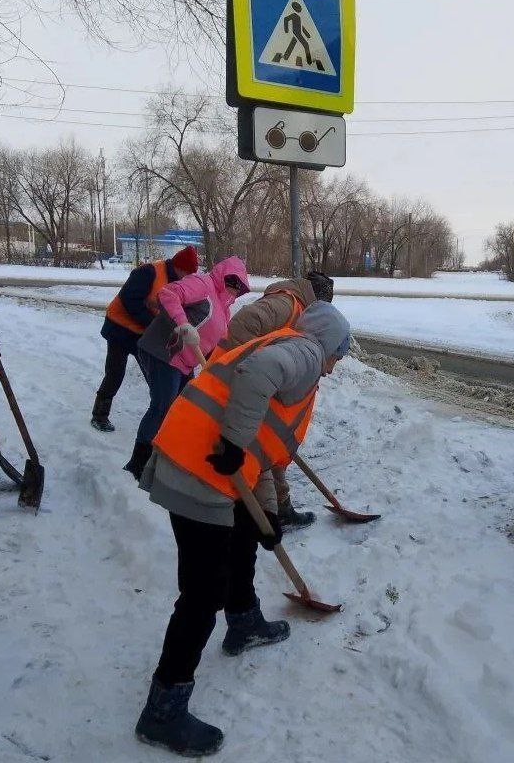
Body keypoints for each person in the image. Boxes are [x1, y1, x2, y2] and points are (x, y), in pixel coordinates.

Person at [135, 301, 351, 756]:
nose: (335, 366)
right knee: (202, 595)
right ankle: (163, 711)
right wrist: (233, 443)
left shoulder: (293, 347)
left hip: (202, 464)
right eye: (340, 354)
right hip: (199, 470)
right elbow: (259, 376)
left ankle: (244, 621)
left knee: (244, 537)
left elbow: (262, 448)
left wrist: (266, 515)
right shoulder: (306, 353)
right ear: (329, 344)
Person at [216, 270, 335, 530]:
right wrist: (250, 369)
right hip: (238, 384)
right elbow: (242, 324)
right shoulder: (286, 304)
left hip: (256, 385)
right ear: (317, 300)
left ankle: (280, 508)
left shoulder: (298, 308)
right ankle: (275, 510)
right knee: (262, 453)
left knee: (271, 449)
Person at [123, 256, 250, 480]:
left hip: (184, 362)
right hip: (164, 352)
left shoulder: (225, 308)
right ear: (222, 275)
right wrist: (183, 323)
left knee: (182, 408)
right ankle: (137, 463)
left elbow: (216, 342)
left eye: (238, 285)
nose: (233, 287)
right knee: (162, 406)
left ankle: (166, 455)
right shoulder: (202, 284)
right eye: (231, 280)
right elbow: (168, 293)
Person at [91, 246, 199, 432]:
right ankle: (99, 415)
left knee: (155, 377)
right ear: (179, 267)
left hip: (143, 333)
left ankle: (161, 416)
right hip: (119, 328)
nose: (187, 278)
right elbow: (129, 301)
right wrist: (155, 324)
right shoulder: (149, 272)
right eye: (187, 273)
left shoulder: (177, 282)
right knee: (115, 373)